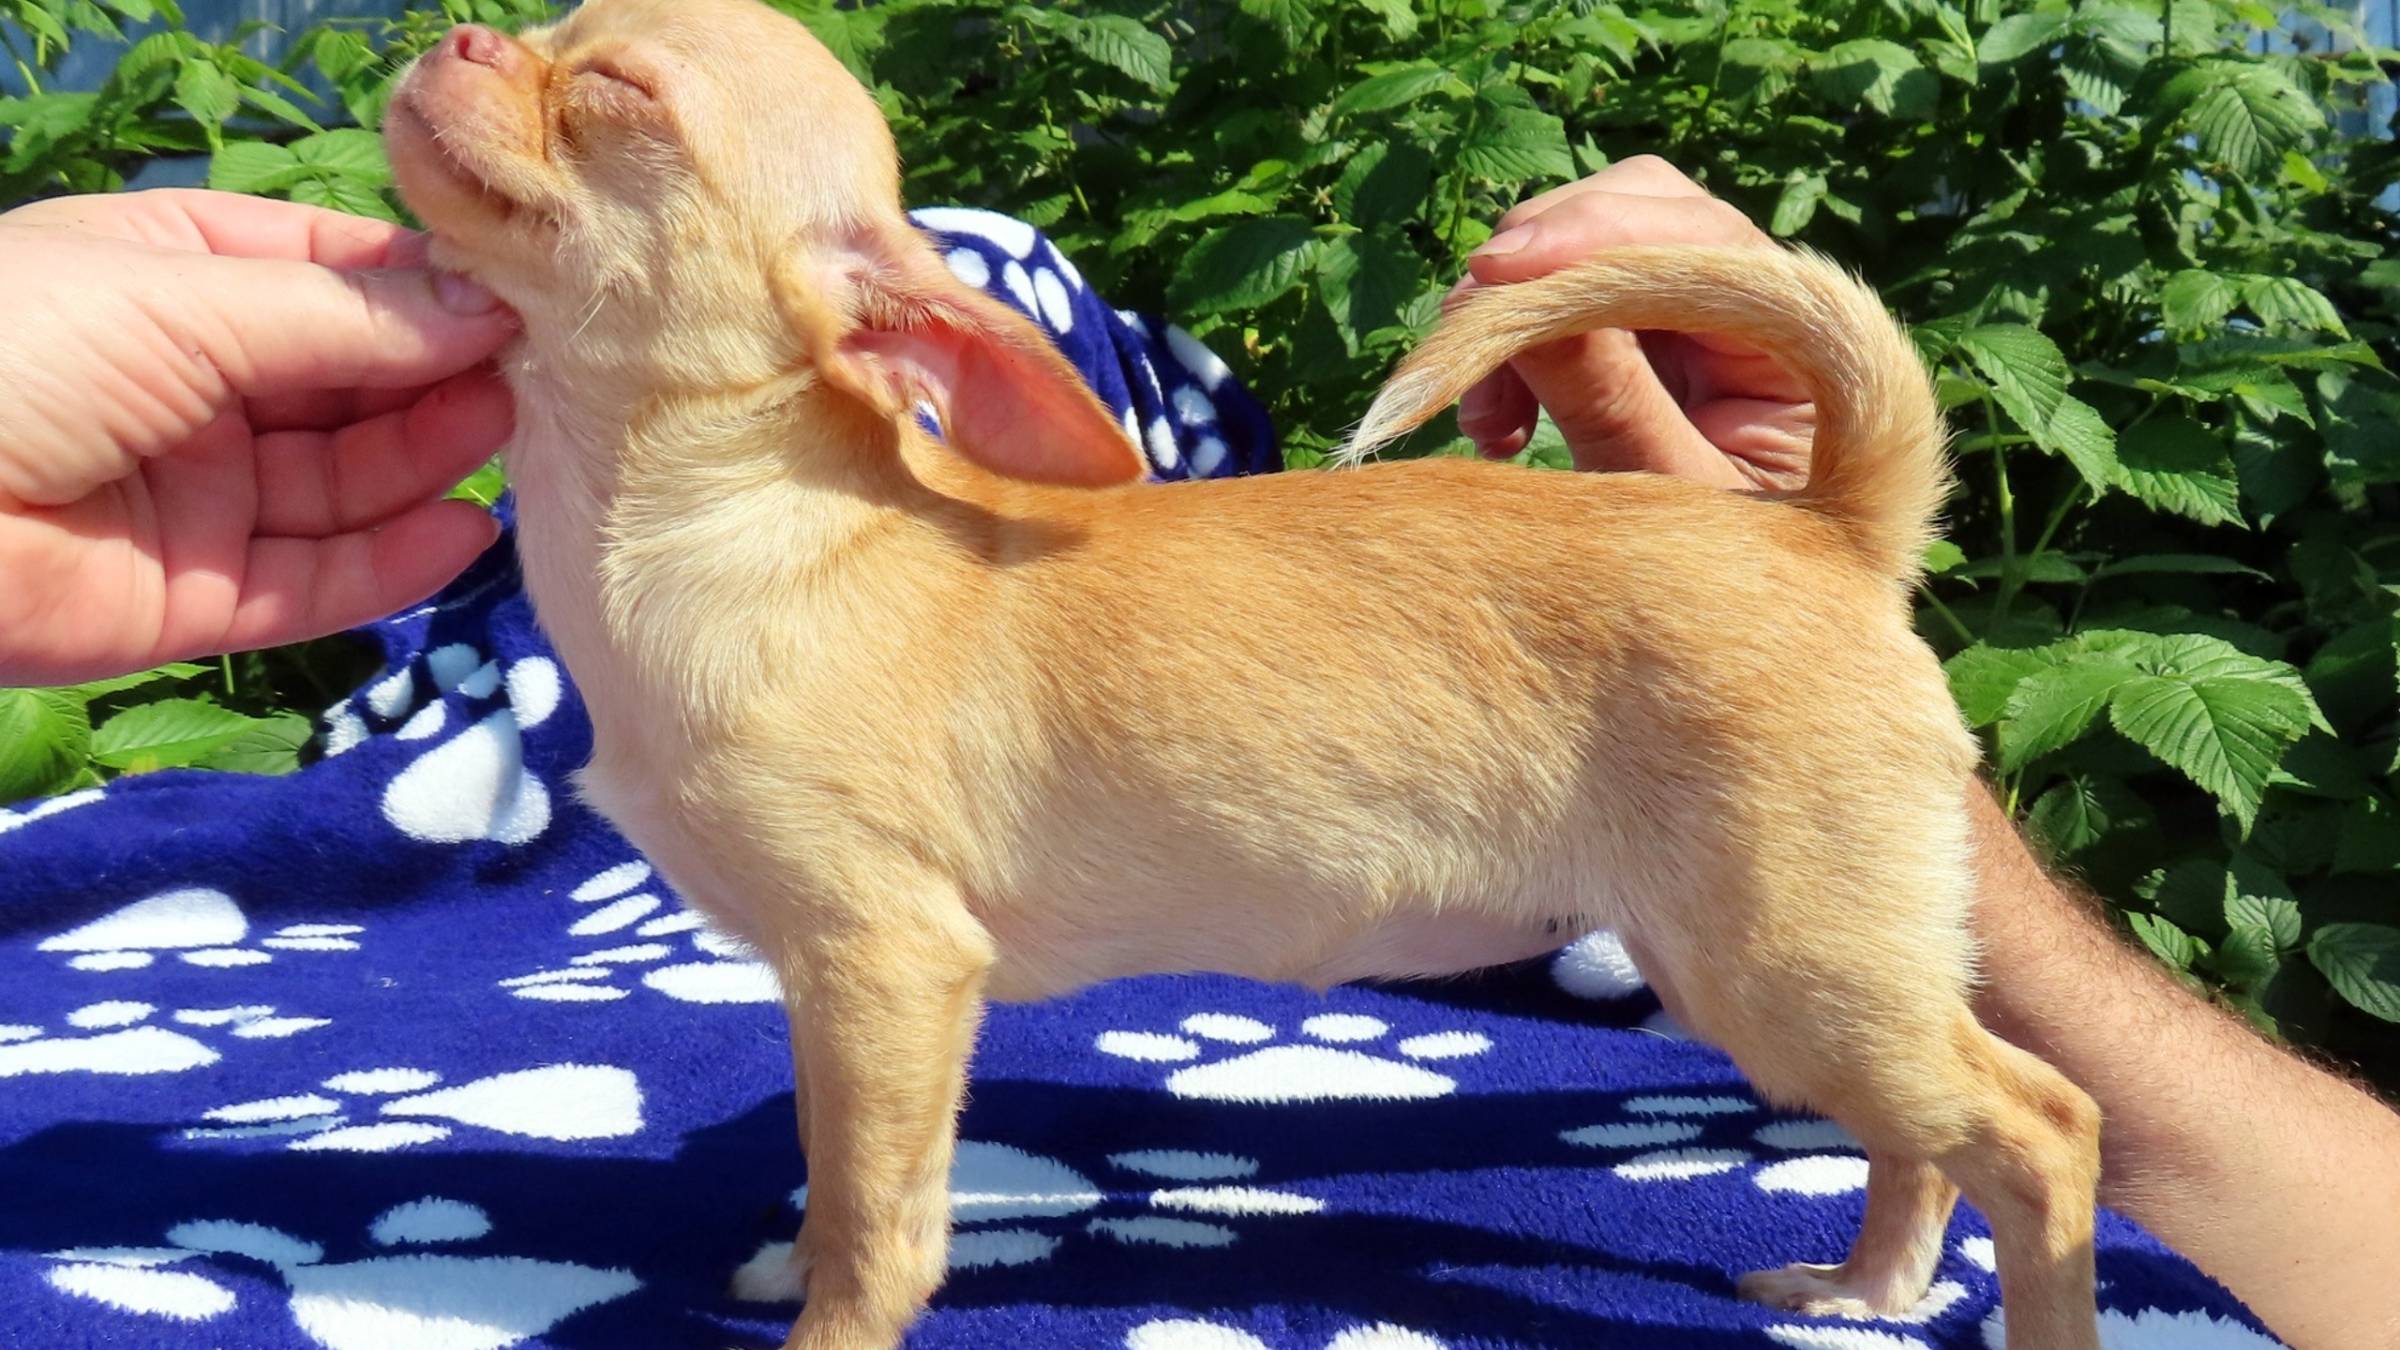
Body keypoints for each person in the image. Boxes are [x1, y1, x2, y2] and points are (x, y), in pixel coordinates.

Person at [1, 167, 2393, 1348]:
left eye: (600, 98)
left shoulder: (836, 576)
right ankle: (1901, 1230)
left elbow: (895, 958)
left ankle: (2009, 1243)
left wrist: (854, 1298)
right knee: (1797, 1004)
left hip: (1681, 659)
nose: (491, 67)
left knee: (1822, 1013)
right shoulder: (762, 609)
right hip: (1672, 633)